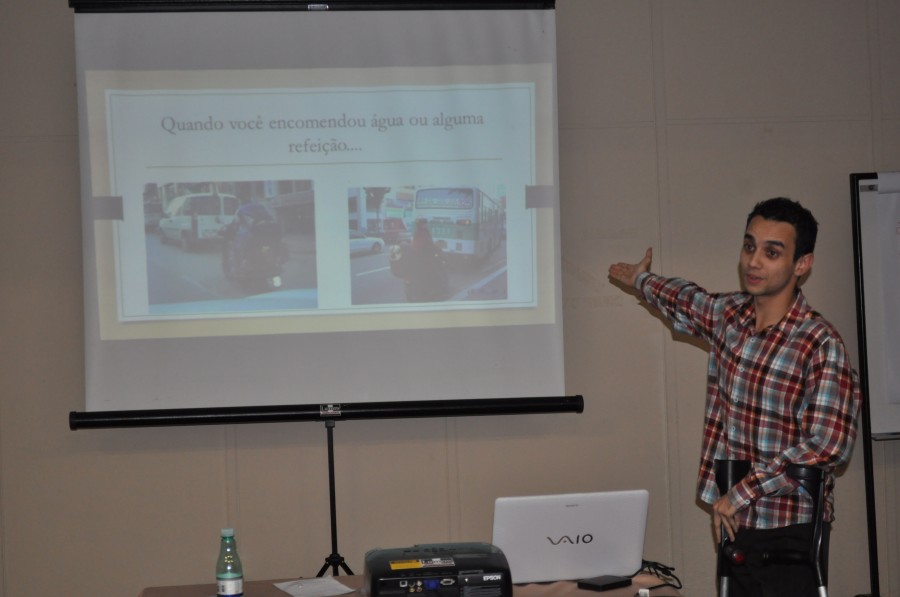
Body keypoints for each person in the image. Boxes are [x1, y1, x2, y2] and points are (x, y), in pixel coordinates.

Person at [608, 197, 860, 597]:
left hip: (789, 528)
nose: (753, 262)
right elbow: (686, 299)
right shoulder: (731, 316)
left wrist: (743, 492)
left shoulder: (819, 343)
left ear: (802, 264)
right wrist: (642, 280)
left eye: (771, 252)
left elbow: (829, 445)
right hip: (735, 524)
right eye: (749, 246)